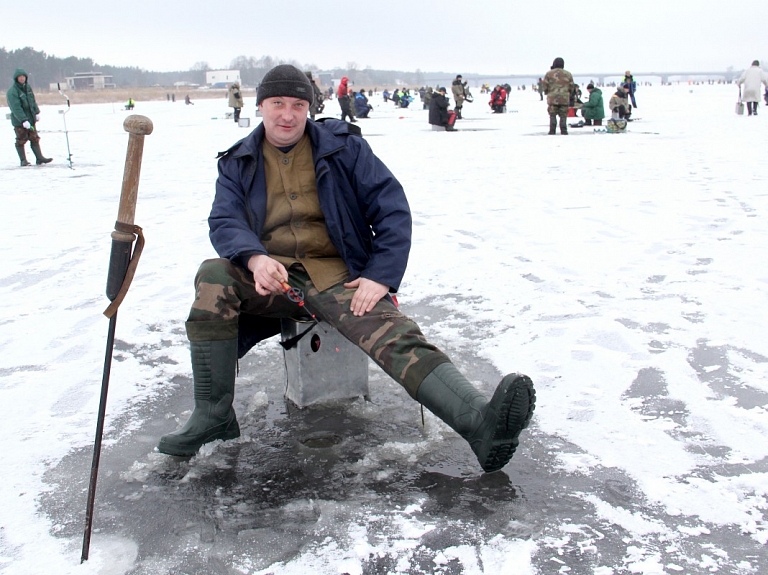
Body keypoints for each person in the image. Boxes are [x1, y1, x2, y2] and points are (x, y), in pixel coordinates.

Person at [156, 64, 535, 474]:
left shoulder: (344, 148)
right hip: (271, 279)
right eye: (277, 104)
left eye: (298, 105)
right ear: (261, 105)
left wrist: (380, 275)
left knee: (397, 337)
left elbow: (390, 209)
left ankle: (481, 424)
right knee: (213, 276)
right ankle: (213, 417)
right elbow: (224, 220)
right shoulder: (238, 161)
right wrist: (254, 257)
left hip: (339, 274)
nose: (287, 115)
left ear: (310, 107)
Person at [7, 68, 52, 166]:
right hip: (20, 121)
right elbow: (16, 108)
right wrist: (23, 120)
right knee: (21, 140)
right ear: (16, 78)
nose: (22, 78)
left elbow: (32, 101)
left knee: (34, 138)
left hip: (31, 119)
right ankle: (23, 160)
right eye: (20, 77)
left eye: (23, 77)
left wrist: (37, 112)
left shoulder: (28, 88)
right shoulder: (13, 91)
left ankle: (39, 158)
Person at [541, 57, 575, 135]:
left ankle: (552, 130)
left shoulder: (549, 73)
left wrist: (547, 92)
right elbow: (571, 87)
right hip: (564, 98)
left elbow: (545, 86)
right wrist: (568, 93)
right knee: (563, 115)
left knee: (552, 114)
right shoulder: (568, 74)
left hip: (552, 98)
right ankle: (564, 130)